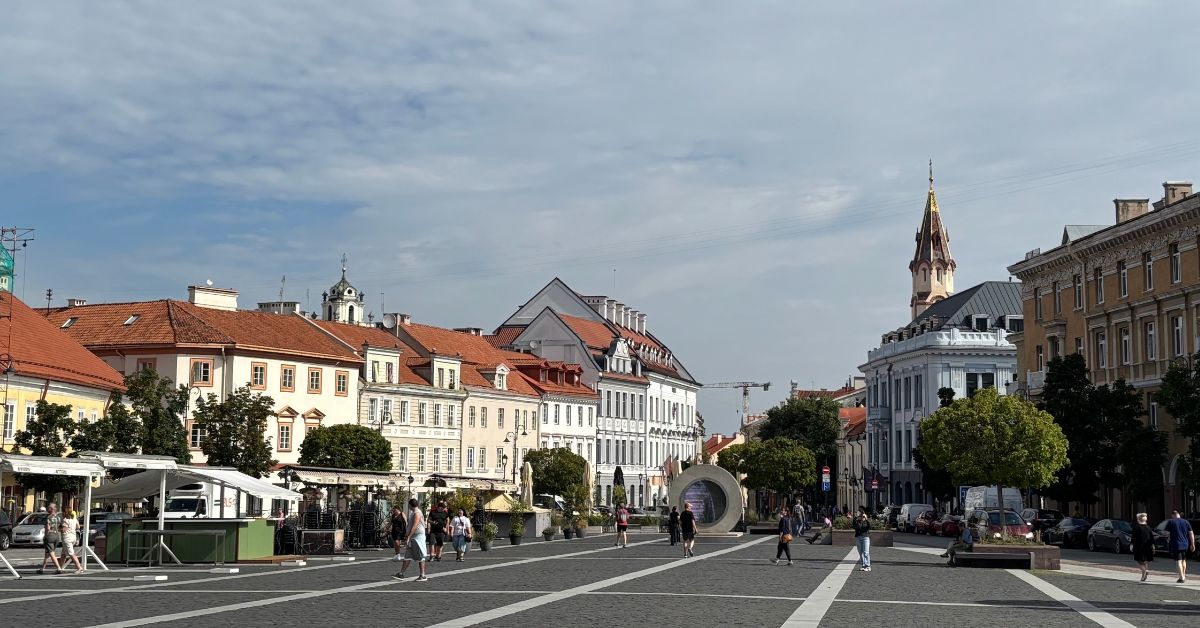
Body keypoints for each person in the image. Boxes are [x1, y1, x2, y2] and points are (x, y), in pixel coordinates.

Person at [391, 499, 428, 581]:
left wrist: (409, 536)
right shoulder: (413, 513)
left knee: (420, 556)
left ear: (410, 505)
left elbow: (415, 526)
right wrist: (408, 535)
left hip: (418, 537)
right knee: (408, 556)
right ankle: (401, 573)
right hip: (413, 537)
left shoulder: (417, 513)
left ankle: (423, 575)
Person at [1164, 509, 1196, 584]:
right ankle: (1184, 575)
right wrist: (1193, 544)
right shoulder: (1186, 521)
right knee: (1184, 560)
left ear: (1173, 515)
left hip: (1176, 544)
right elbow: (1191, 533)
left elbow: (1167, 533)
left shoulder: (1171, 522)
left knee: (1178, 560)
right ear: (1179, 514)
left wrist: (1168, 540)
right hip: (1185, 544)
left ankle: (1181, 577)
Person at [38, 503, 64, 575]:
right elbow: (61, 528)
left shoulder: (48, 517)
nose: (48, 509)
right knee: (47, 552)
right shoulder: (59, 517)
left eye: (49, 508)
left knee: (51, 553)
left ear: (52, 509)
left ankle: (58, 568)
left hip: (50, 536)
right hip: (56, 536)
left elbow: (47, 528)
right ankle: (42, 568)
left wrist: (45, 536)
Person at [1131, 512, 1155, 583]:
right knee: (1145, 561)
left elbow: (1133, 537)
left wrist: (1131, 544)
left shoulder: (1136, 527)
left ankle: (1144, 571)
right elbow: (1152, 537)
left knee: (1139, 561)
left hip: (1139, 546)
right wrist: (1153, 545)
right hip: (1147, 546)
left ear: (1138, 519)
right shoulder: (1148, 527)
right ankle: (1143, 576)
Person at [59, 509, 84, 573]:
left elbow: (63, 530)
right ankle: (59, 568)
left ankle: (79, 567)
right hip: (73, 537)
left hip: (67, 538)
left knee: (71, 553)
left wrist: (58, 529)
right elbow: (78, 527)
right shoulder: (74, 519)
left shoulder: (65, 520)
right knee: (63, 554)